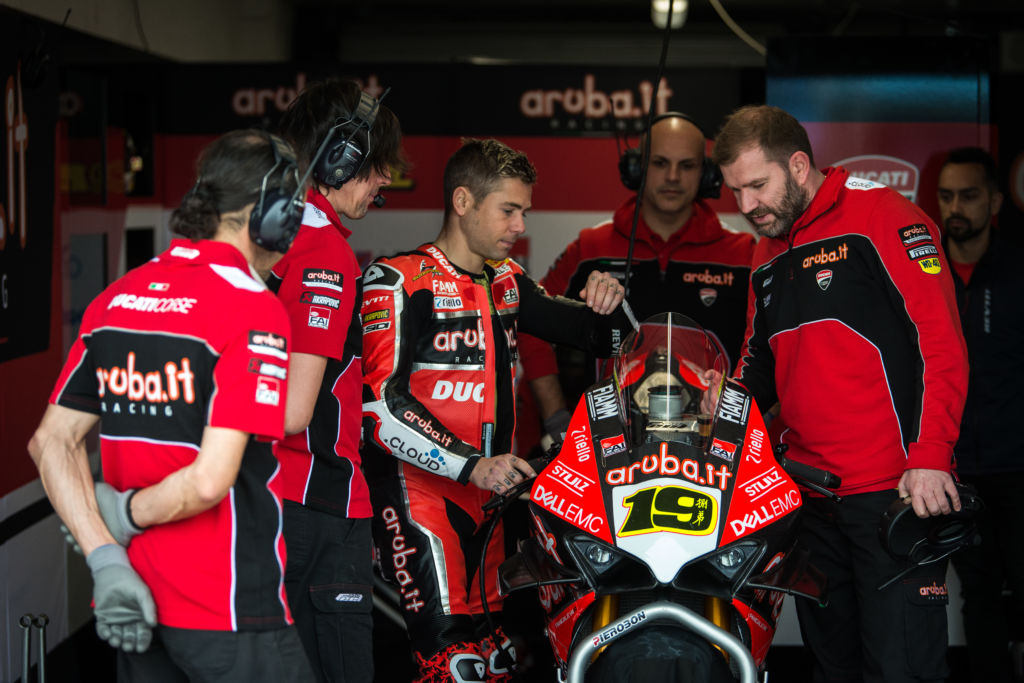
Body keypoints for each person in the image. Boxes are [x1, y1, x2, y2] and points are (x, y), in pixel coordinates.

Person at [29, 130, 314, 681]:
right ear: (269, 214)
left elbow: (51, 442)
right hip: (229, 609)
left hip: (134, 601)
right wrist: (125, 514)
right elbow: (209, 482)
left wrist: (106, 560)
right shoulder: (252, 308)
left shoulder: (117, 298)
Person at [708, 105, 968, 683]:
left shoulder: (884, 215)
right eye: (735, 190)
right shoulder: (767, 249)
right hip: (811, 499)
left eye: (758, 185)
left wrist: (931, 456)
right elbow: (758, 360)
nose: (746, 204)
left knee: (903, 671)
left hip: (895, 494)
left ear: (799, 166)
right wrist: (720, 407)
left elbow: (941, 345)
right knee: (833, 670)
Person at [361, 138, 628, 682]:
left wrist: (609, 299)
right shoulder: (397, 280)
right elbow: (380, 407)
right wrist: (471, 464)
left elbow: (602, 336)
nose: (520, 225)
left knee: (494, 658)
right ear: (463, 201)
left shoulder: (506, 281)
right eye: (509, 209)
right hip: (419, 494)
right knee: (452, 663)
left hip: (488, 499)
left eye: (524, 211)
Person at [269, 78, 404, 683]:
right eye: (376, 165)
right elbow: (296, 411)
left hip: (263, 498)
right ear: (340, 158)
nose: (384, 181)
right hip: (318, 503)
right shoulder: (322, 253)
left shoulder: (262, 233)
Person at [517, 112, 755, 447]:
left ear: (707, 174)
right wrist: (557, 418)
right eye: (659, 163)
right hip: (611, 448)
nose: (672, 176)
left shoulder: (744, 254)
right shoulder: (591, 248)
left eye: (687, 165)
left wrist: (754, 422)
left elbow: (774, 351)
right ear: (636, 168)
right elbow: (531, 326)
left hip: (715, 451)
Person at [937, 146, 1024, 683]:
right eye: (946, 196)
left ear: (993, 201)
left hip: (1016, 464)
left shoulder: (1018, 267)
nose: (955, 208)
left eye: (968, 196)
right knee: (980, 592)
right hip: (950, 469)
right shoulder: (920, 271)